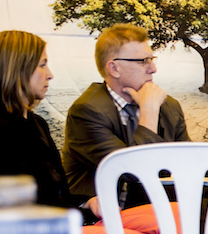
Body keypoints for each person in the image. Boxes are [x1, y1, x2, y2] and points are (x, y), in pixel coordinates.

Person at [0, 30, 174, 234]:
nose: (50, 74)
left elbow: (53, 195)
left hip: (62, 229)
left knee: (174, 215)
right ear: (16, 70)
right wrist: (81, 214)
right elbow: (19, 215)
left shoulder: (35, 124)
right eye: (42, 65)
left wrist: (85, 203)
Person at [62, 23, 188, 210]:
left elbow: (186, 159)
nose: (153, 68)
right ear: (114, 68)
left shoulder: (169, 106)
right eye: (143, 61)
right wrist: (149, 111)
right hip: (105, 219)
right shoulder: (86, 111)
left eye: (152, 59)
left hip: (158, 213)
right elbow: (135, 172)